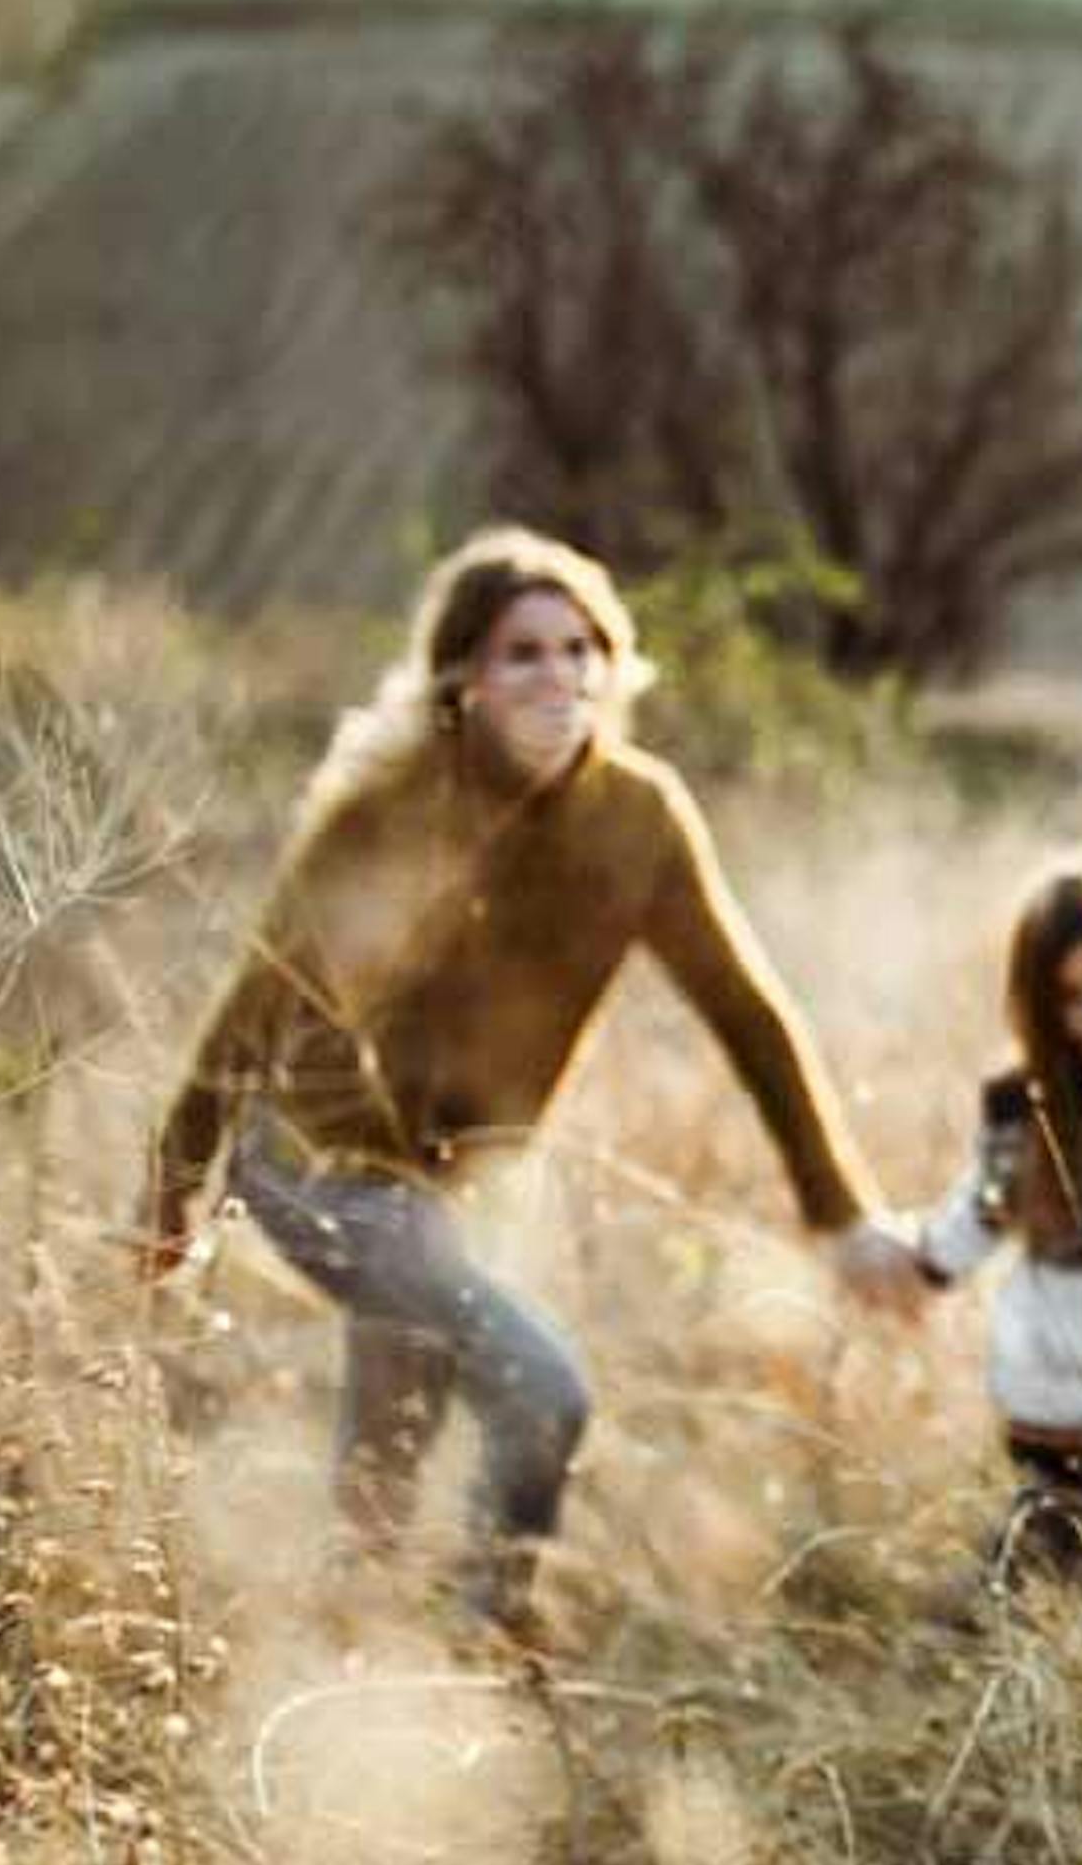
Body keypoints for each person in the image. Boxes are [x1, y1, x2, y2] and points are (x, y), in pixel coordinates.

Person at [142, 524, 922, 1631]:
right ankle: (486, 1635)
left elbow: (748, 1015)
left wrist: (839, 1212)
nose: (563, 677)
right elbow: (251, 1009)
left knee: (385, 1456)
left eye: (582, 649)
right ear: (462, 679)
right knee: (543, 1389)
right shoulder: (389, 814)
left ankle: (348, 1661)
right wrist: (169, 1193)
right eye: (525, 654)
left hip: (446, 1190)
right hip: (319, 1169)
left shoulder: (639, 819)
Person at [905, 848, 1082, 1621]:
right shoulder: (1022, 1106)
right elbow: (979, 1211)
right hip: (1053, 1386)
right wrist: (923, 1261)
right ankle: (975, 1622)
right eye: (1071, 998)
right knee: (1064, 1546)